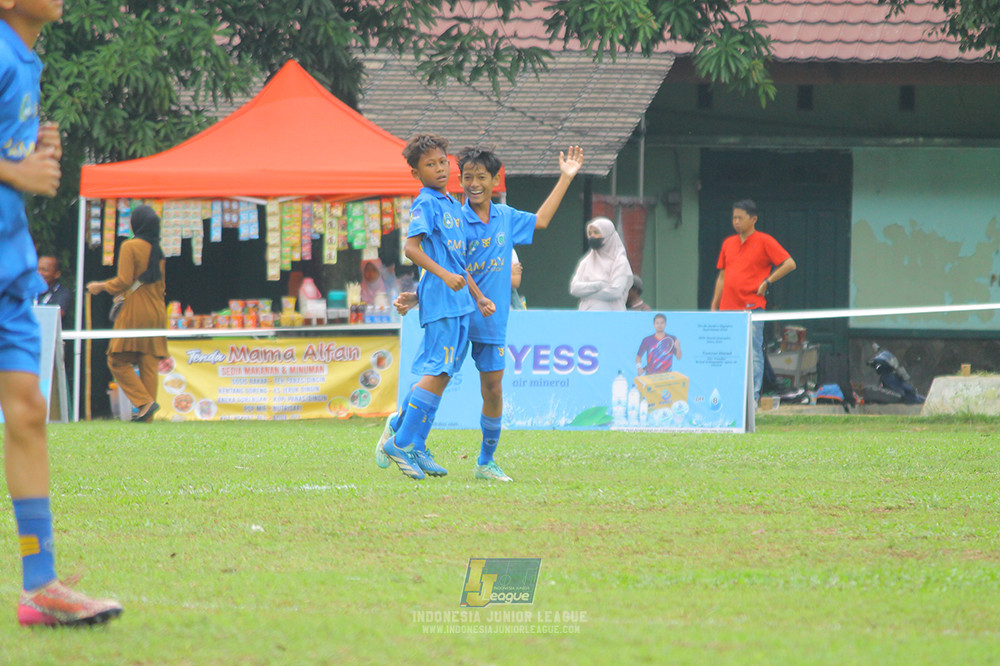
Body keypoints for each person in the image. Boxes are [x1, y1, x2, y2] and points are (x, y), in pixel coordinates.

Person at [0, 1, 122, 626]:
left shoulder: (25, 58)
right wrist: (14, 166)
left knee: (27, 411)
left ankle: (39, 585)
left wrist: (29, 151)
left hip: (9, 267)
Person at [386, 145, 583, 481]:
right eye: (468, 177)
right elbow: (446, 264)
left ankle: (485, 462)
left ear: (495, 180)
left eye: (481, 177)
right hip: (460, 309)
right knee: (439, 374)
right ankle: (402, 434)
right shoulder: (452, 215)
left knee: (492, 388)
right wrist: (420, 296)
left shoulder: (506, 217)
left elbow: (542, 221)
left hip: (492, 317)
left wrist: (566, 177)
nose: (474, 184)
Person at [376, 134, 493, 481]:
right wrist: (442, 277)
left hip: (458, 302)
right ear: (416, 173)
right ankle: (401, 442)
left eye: (443, 162)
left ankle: (411, 437)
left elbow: (456, 261)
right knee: (438, 372)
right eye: (430, 164)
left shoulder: (452, 204)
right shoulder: (426, 202)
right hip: (444, 302)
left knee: (443, 376)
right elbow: (412, 249)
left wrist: (477, 296)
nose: (440, 169)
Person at [86, 205, 168, 423]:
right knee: (148, 363)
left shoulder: (130, 246)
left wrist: (100, 286)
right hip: (157, 311)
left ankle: (144, 403)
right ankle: (147, 418)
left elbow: (123, 280)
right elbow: (161, 286)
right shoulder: (157, 250)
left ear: (135, 224)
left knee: (116, 360)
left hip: (135, 311)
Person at [710, 198, 796, 402]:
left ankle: (753, 398)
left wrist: (768, 281)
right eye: (734, 218)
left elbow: (789, 263)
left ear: (753, 219)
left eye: (740, 218)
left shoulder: (764, 241)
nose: (736, 222)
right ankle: (729, 395)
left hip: (752, 307)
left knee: (753, 352)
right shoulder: (728, 243)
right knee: (726, 353)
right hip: (727, 308)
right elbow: (722, 276)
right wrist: (714, 305)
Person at [569, 217, 633, 311]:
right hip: (586, 313)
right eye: (590, 233)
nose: (592, 236)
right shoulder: (586, 262)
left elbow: (615, 292)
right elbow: (574, 289)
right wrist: (599, 285)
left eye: (596, 232)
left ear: (607, 235)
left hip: (612, 314)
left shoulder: (620, 261)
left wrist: (586, 294)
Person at [37, 255, 73, 331]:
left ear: (57, 274)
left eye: (44, 270)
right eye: (37, 269)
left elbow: (55, 317)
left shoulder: (63, 293)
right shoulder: (27, 291)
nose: (39, 273)